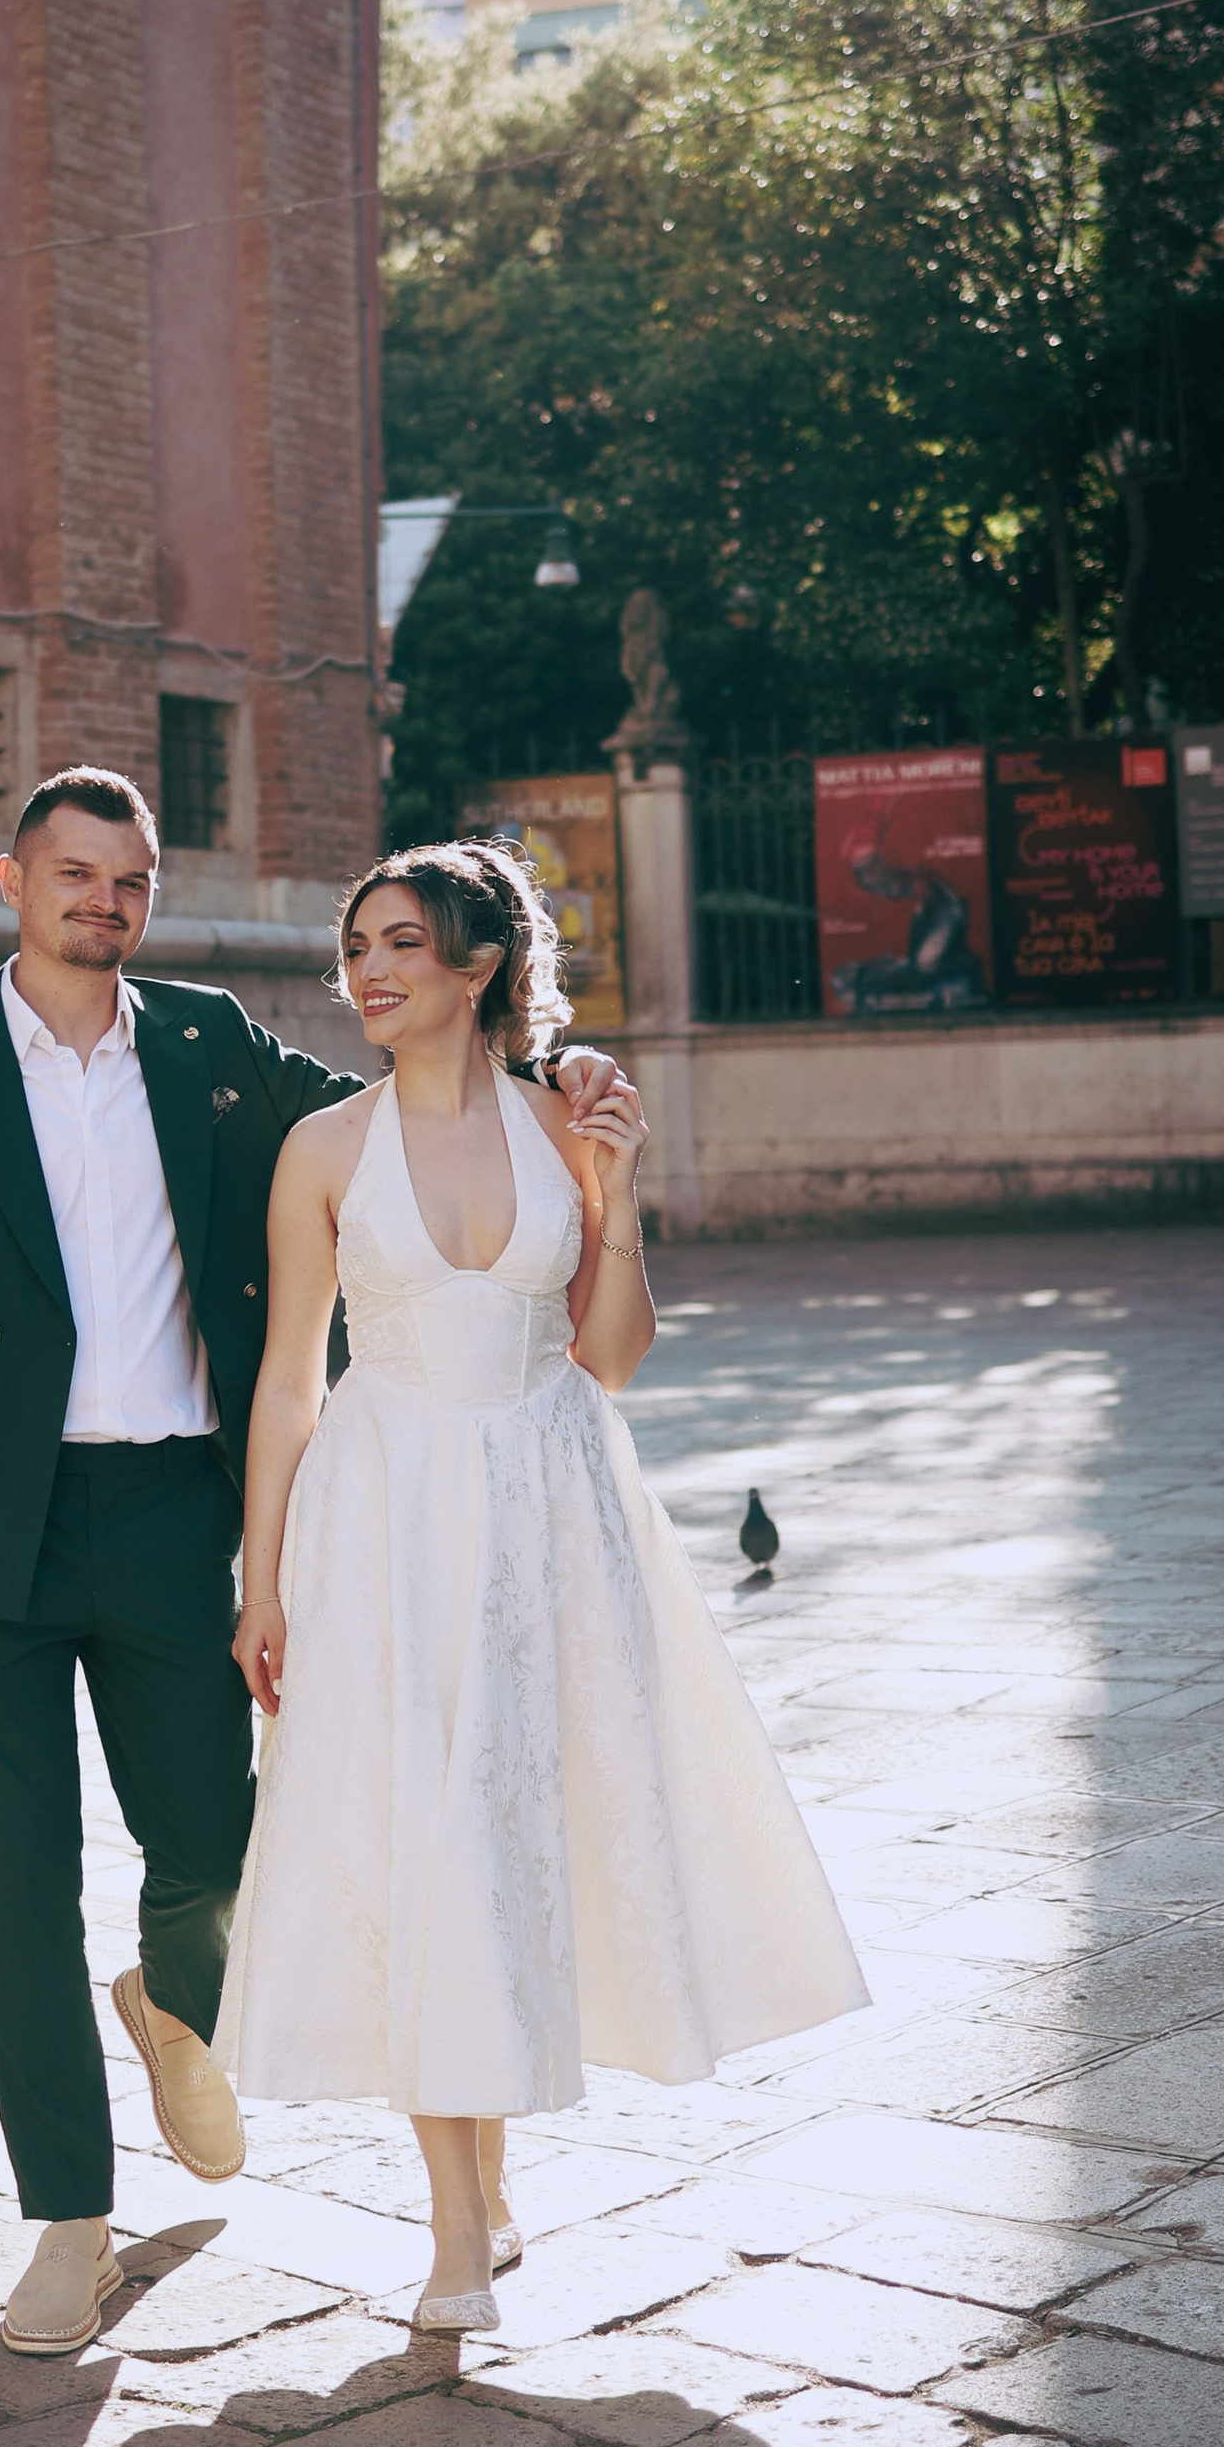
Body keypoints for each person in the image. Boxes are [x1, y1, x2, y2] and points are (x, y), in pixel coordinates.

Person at [0, 768, 625, 2357]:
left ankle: (172, 1995)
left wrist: (558, 1061)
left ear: (149, 892)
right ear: (12, 882)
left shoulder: (207, 1050)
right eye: (71, 874)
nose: (100, 902)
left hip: (176, 1512)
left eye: (127, 878)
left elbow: (410, 1087)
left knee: (223, 1851)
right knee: (17, 1885)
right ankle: (69, 2220)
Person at [214, 840, 864, 2335]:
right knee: (418, 1833)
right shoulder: (322, 1148)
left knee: (507, 1831)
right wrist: (265, 1575)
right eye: (353, 948)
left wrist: (618, 1186)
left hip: (553, 1515)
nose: (364, 973)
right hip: (381, 1517)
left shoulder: (566, 1120)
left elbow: (615, 1357)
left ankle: (492, 2188)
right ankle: (455, 2226)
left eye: (396, 945)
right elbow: (287, 1378)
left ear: (478, 964)